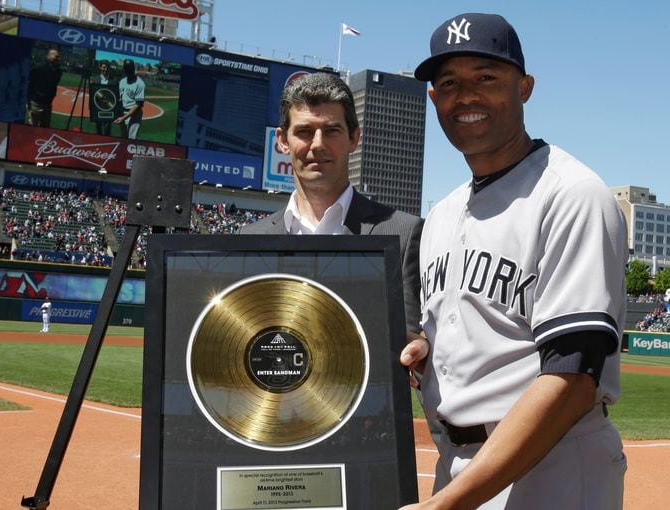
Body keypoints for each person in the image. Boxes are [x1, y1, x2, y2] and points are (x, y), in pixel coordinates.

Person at [399, 12, 628, 509]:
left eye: (486, 77)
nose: (467, 96)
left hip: (556, 468)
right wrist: (424, 350)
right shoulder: (439, 215)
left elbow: (570, 380)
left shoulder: (571, 194)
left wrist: (447, 504)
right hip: (461, 466)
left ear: (524, 87)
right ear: (435, 99)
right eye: (450, 83)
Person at [239, 72, 423, 333]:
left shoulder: (405, 234)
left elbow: (409, 336)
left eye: (331, 131)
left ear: (354, 138)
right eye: (304, 131)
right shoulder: (247, 239)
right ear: (282, 141)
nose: (318, 144)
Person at [26, 48, 62, 128]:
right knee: (32, 127)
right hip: (36, 102)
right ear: (48, 56)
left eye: (58, 56)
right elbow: (30, 82)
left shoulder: (57, 70)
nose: (57, 58)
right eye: (55, 56)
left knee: (45, 129)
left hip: (48, 104)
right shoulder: (38, 67)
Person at [115, 59, 145, 139]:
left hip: (134, 114)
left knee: (131, 139)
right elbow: (120, 97)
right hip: (123, 112)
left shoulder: (140, 84)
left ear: (133, 69)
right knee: (123, 137)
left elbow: (138, 104)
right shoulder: (122, 81)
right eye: (126, 69)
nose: (127, 71)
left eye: (129, 69)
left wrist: (124, 117)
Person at [91, 59, 116, 136]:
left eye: (107, 67)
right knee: (98, 129)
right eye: (104, 67)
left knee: (107, 129)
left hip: (108, 108)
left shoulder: (114, 81)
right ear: (100, 67)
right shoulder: (94, 80)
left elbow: (115, 96)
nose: (106, 69)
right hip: (97, 107)